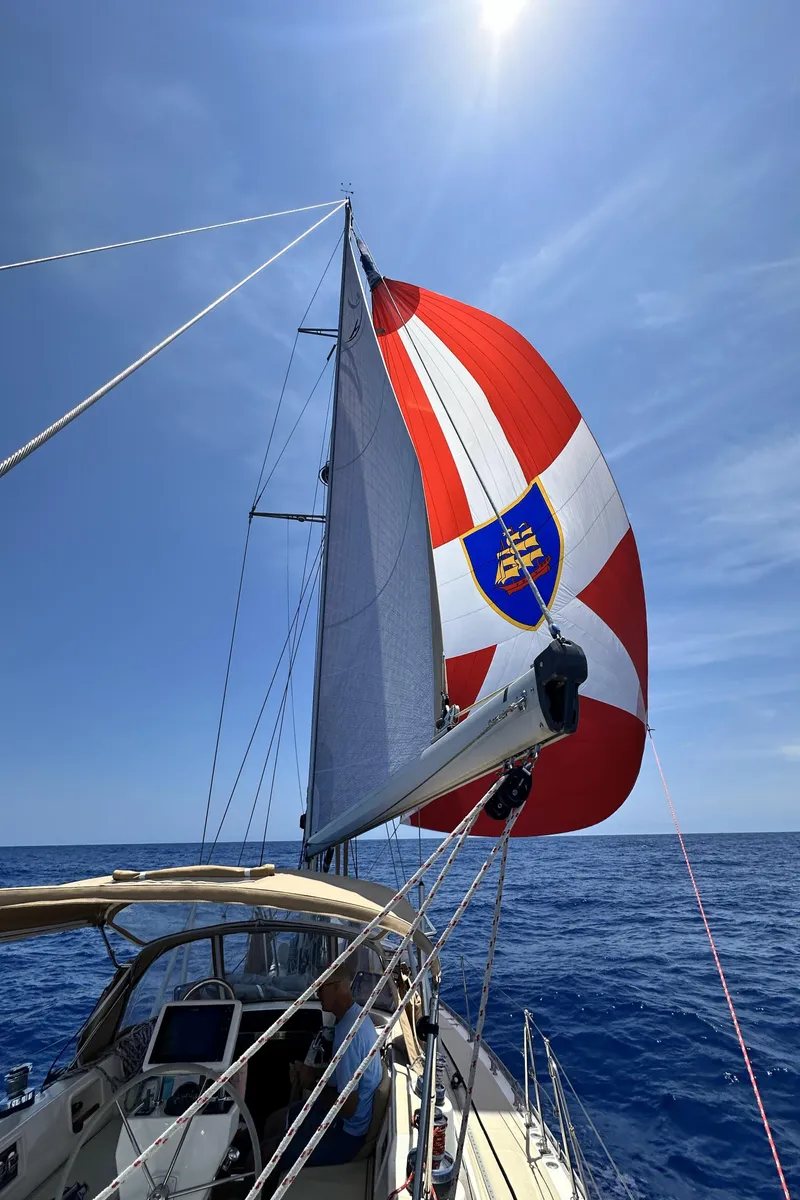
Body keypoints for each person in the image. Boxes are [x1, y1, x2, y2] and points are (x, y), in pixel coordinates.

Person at [260, 961, 382, 1180]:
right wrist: (314, 1073)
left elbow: (348, 1108)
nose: (317, 993)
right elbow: (342, 1075)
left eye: (321, 987)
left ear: (338, 987)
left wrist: (311, 1084)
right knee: (272, 1122)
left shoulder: (350, 1036)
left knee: (265, 1153)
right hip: (334, 1117)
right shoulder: (350, 1019)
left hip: (345, 1134)